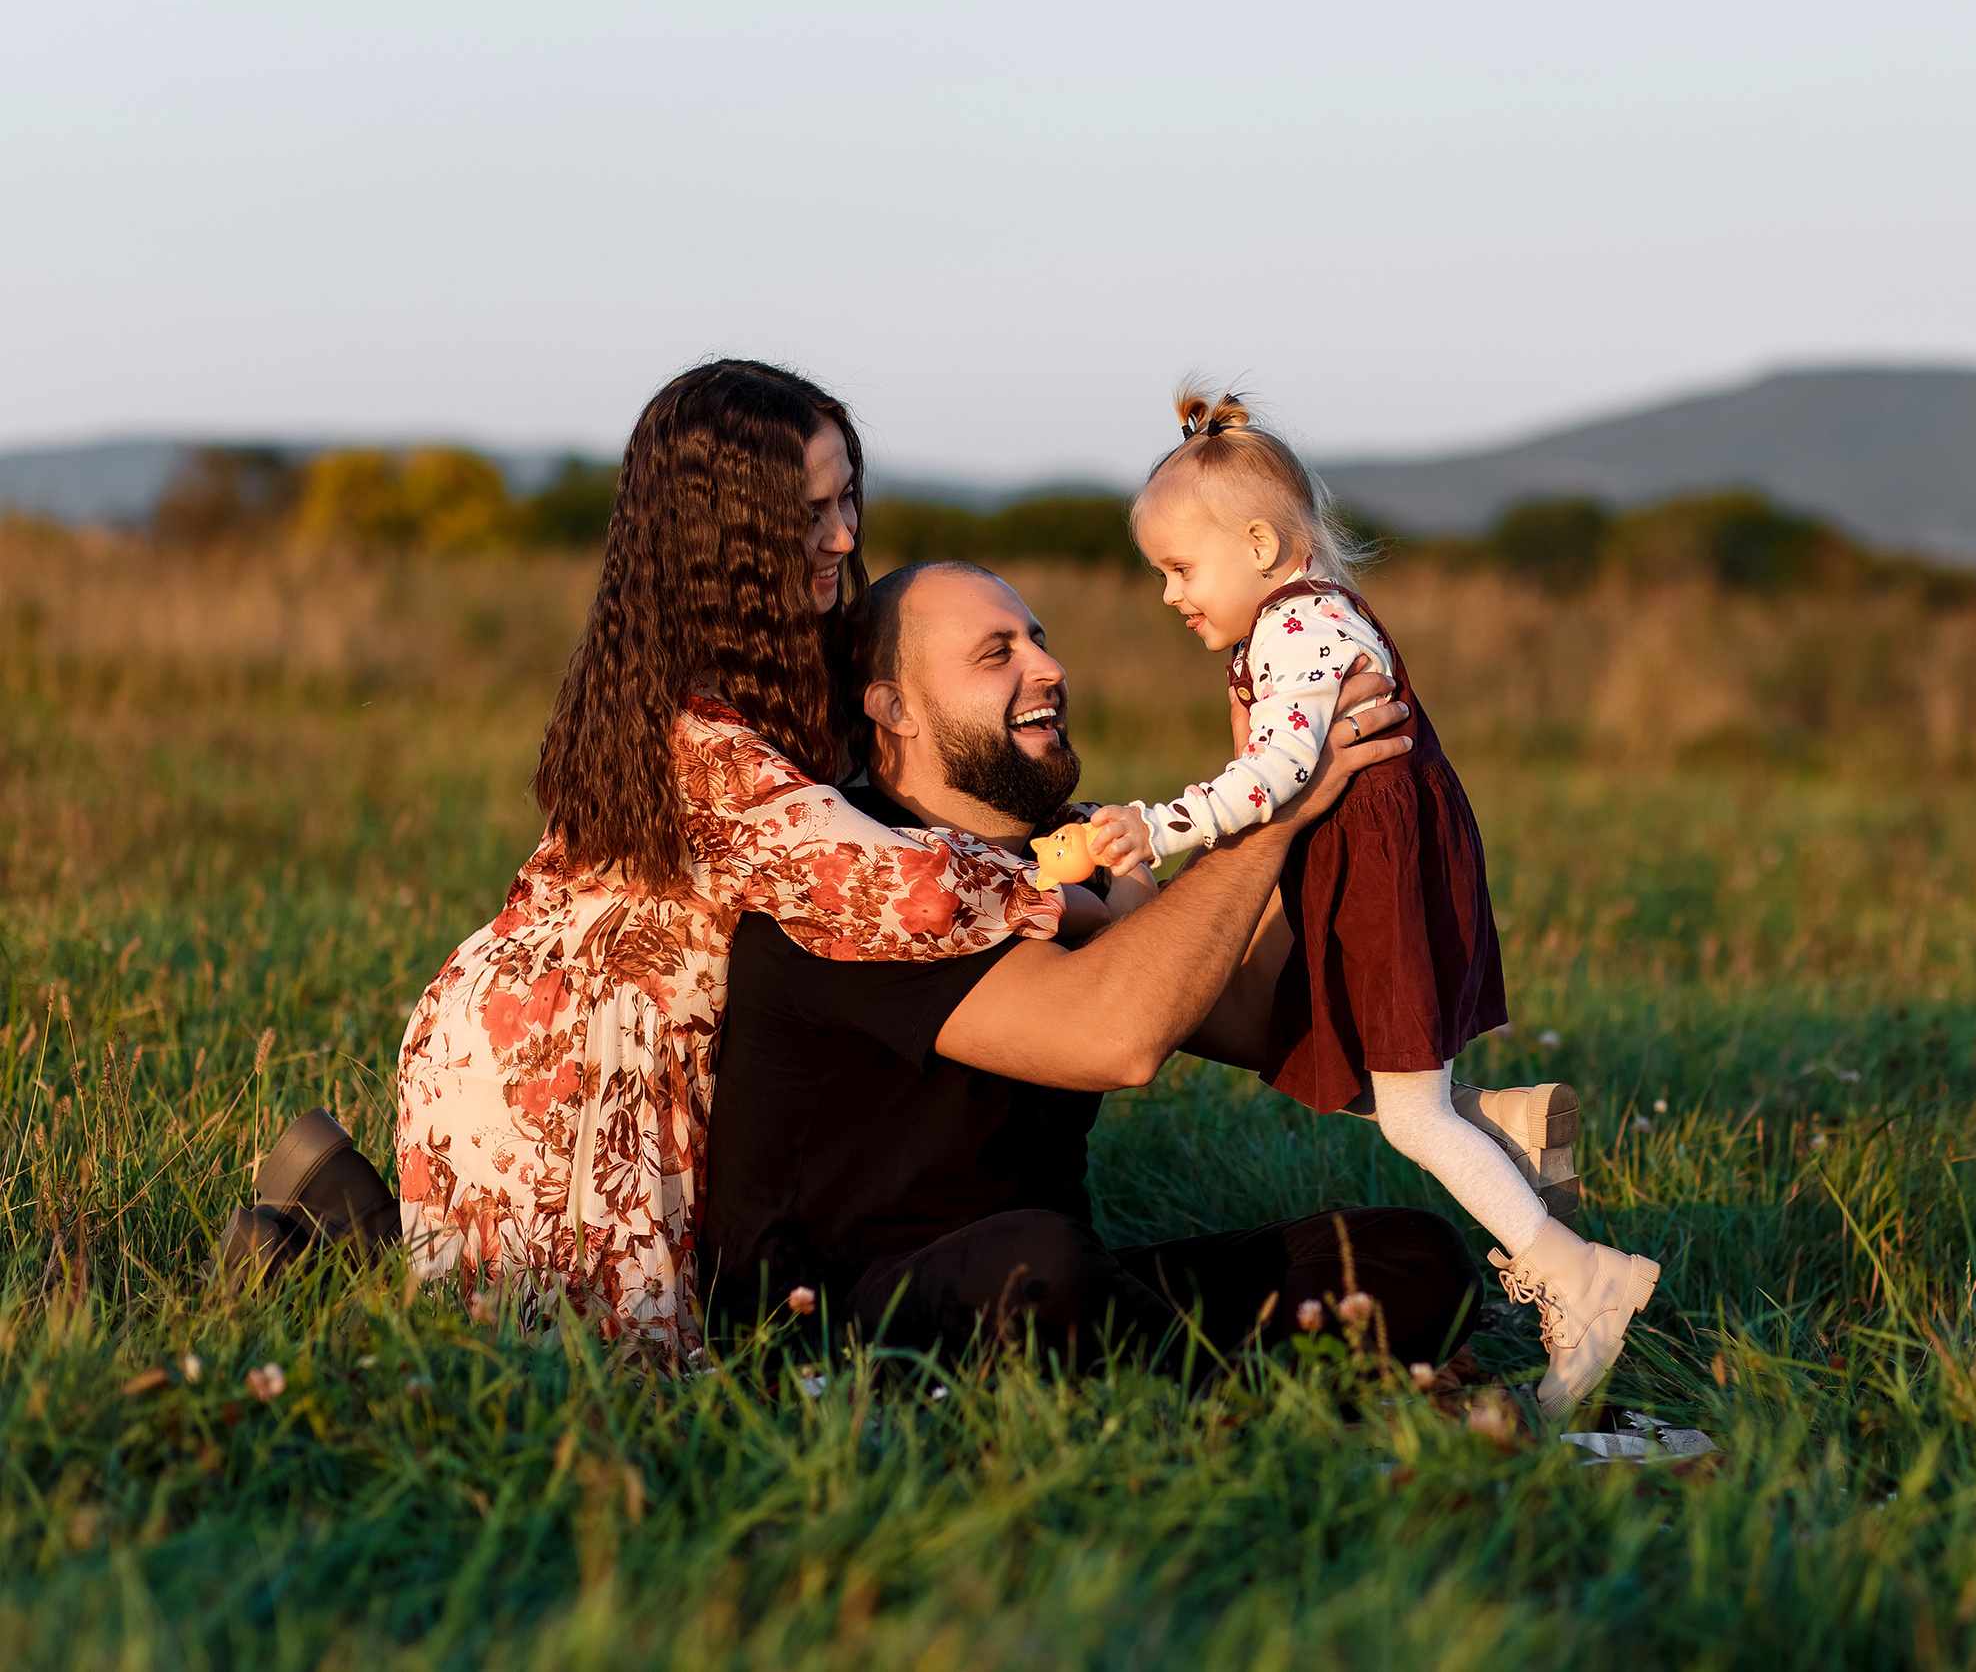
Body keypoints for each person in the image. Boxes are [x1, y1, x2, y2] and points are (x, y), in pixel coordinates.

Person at [388, 361, 1086, 1352]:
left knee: (541, 1336)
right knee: (605, 1384)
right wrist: (1080, 886)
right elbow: (903, 889)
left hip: (607, 1048)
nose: (843, 535)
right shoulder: (700, 737)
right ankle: (318, 1234)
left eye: (846, 499)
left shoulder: (779, 666)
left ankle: (326, 1211)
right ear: (727, 540)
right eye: (809, 514)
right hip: (567, 1071)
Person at [698, 560, 1489, 1373]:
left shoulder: (1074, 855)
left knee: (1411, 1258)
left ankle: (1184, 1381)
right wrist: (1272, 819)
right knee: (1040, 1263)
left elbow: (1251, 1014)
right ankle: (1233, 1395)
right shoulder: (852, 879)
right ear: (894, 707)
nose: (1049, 667)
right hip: (829, 1315)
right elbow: (1116, 1038)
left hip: (1059, 1281)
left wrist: (1296, 780)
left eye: (1039, 641)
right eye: (997, 652)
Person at [1062, 383, 1656, 1415]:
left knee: (1410, 1116)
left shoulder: (1300, 627)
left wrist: (1159, 826)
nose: (1167, 594)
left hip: (1375, 880)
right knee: (1341, 1058)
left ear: (1258, 545)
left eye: (1179, 569)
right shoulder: (1303, 619)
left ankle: (1577, 1276)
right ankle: (1502, 1123)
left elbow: (1282, 769)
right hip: (1366, 868)